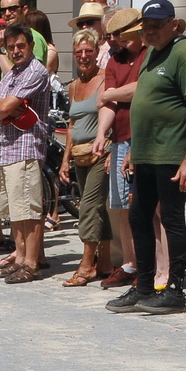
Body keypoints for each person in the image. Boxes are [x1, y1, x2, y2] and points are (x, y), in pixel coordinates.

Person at [106, 0, 186, 315]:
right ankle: (145, 287)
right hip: (147, 153)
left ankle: (175, 290)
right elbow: (146, 103)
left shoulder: (184, 53)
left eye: (157, 25)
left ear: (173, 25)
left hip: (171, 153)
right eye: (146, 26)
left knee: (172, 220)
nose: (150, 31)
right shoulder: (151, 53)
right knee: (139, 216)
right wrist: (134, 150)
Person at [0, 24, 51, 284]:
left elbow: (3, 105)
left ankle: (32, 263)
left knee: (29, 211)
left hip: (26, 147)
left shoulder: (36, 71)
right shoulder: (13, 74)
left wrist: (0, 108)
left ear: (31, 45)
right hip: (7, 148)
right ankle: (20, 258)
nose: (16, 51)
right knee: (15, 210)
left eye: (20, 46)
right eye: (11, 48)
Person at [93, 8, 148, 289]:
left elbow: (143, 88)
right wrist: (102, 133)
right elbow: (109, 105)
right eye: (109, 35)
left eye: (117, 34)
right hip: (120, 138)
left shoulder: (146, 54)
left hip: (143, 136)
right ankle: (129, 263)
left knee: (141, 205)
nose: (113, 40)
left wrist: (110, 93)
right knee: (122, 207)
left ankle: (146, 266)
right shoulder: (114, 61)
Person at [60, 29, 110, 285]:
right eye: (78, 52)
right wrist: (64, 159)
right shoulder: (74, 85)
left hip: (101, 152)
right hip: (79, 155)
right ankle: (106, 262)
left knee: (88, 207)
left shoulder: (105, 79)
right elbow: (71, 125)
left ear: (96, 52)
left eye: (88, 51)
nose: (83, 56)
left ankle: (87, 264)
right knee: (97, 207)